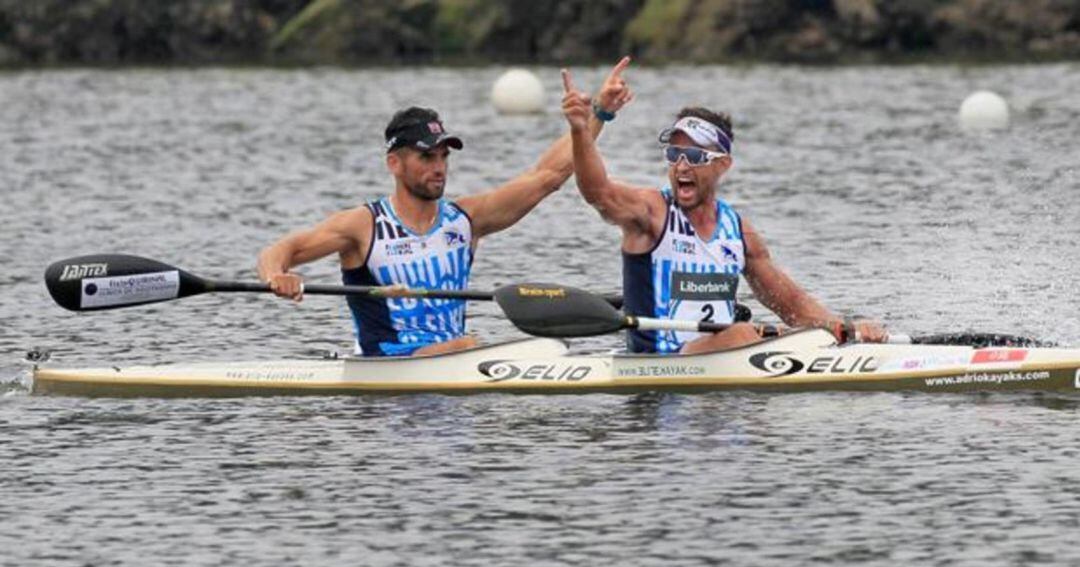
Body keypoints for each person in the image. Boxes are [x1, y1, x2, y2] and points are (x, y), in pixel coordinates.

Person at [258, 58, 633, 357]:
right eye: (426, 157)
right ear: (395, 164)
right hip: (388, 371)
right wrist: (278, 276)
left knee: (467, 345)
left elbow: (547, 176)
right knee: (470, 344)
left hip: (451, 371)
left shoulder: (465, 220)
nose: (438, 166)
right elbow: (281, 251)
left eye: (442, 156)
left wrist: (593, 117)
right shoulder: (364, 225)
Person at [560, 81, 885, 354]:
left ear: (723, 165)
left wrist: (846, 329)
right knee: (744, 335)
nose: (682, 166)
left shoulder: (738, 231)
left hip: (721, 365)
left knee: (793, 335)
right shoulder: (649, 213)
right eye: (674, 154)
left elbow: (792, 305)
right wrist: (580, 130)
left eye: (696, 156)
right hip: (659, 367)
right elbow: (597, 192)